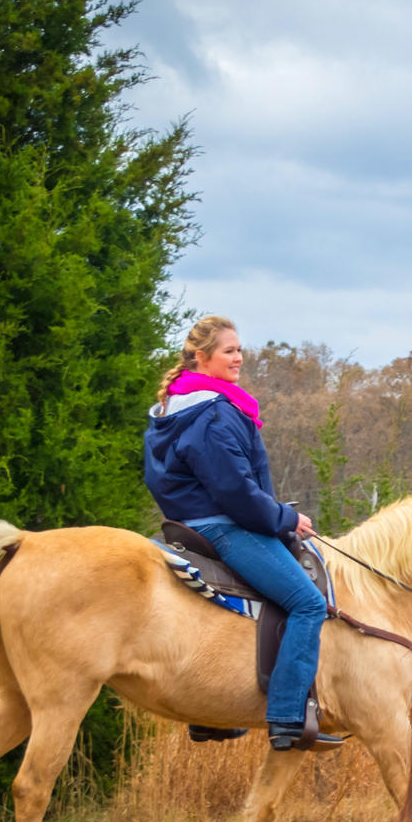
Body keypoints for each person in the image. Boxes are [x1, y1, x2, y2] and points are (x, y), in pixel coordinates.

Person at [144, 315, 334, 751]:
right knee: (308, 603)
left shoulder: (172, 410)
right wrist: (285, 519)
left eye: (239, 350)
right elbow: (234, 490)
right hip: (224, 526)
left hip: (186, 525)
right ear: (201, 357)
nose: (239, 358)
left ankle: (209, 715)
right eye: (228, 350)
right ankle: (287, 717)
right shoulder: (213, 413)